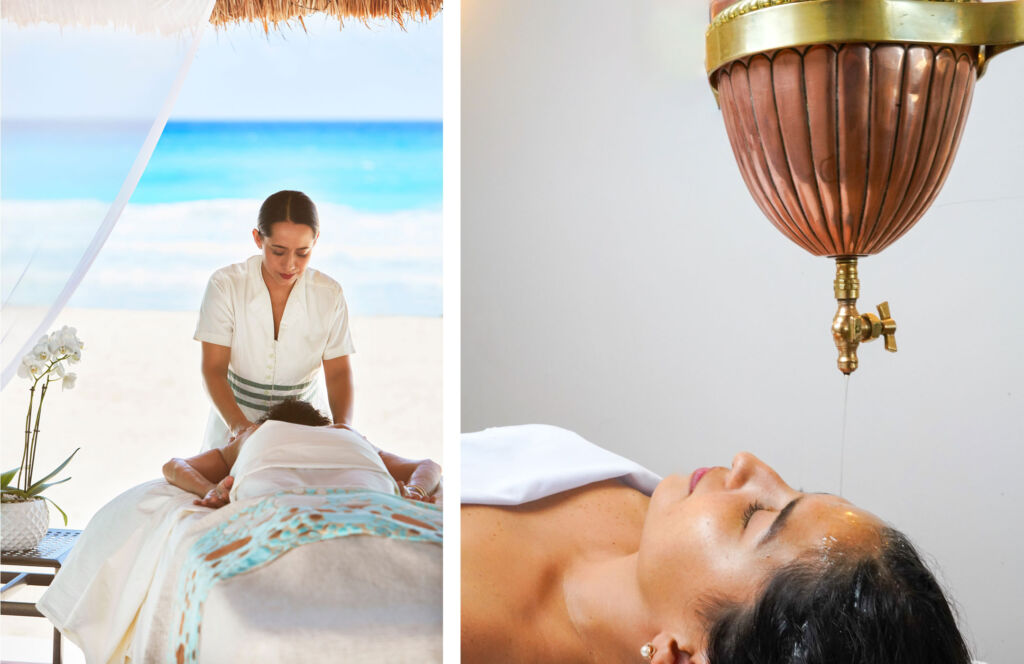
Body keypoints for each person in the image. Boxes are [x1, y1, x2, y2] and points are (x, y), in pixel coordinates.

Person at [461, 426, 971, 664]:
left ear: (687, 655)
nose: (750, 464)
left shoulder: (464, 636)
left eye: (758, 516)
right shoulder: (653, 517)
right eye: (797, 489)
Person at [194, 190, 355, 451]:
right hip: (233, 423)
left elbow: (338, 372)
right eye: (278, 251)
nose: (290, 264)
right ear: (258, 238)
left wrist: (344, 428)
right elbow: (213, 370)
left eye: (303, 253)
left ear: (316, 241)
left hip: (305, 427)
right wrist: (240, 427)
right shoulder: (226, 285)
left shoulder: (329, 294)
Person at [164, 399, 441, 508]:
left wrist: (211, 489)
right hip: (369, 490)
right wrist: (415, 491)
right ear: (323, 426)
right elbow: (429, 466)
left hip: (270, 492)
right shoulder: (345, 433)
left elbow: (174, 466)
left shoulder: (254, 434)